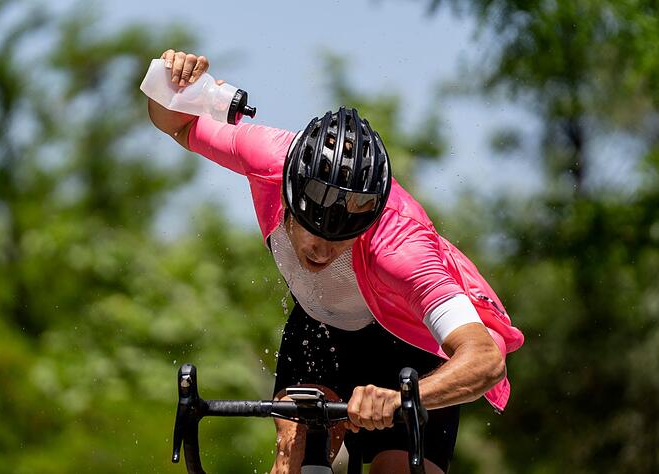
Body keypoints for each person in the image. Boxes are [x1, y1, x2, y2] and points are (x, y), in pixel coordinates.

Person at [147, 50, 524, 473]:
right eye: (312, 229)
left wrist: (403, 397)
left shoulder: (401, 246)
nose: (322, 251)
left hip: (408, 351)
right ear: (288, 192)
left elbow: (486, 359)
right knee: (295, 452)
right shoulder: (266, 156)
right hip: (320, 329)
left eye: (340, 239)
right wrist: (172, 78)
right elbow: (174, 121)